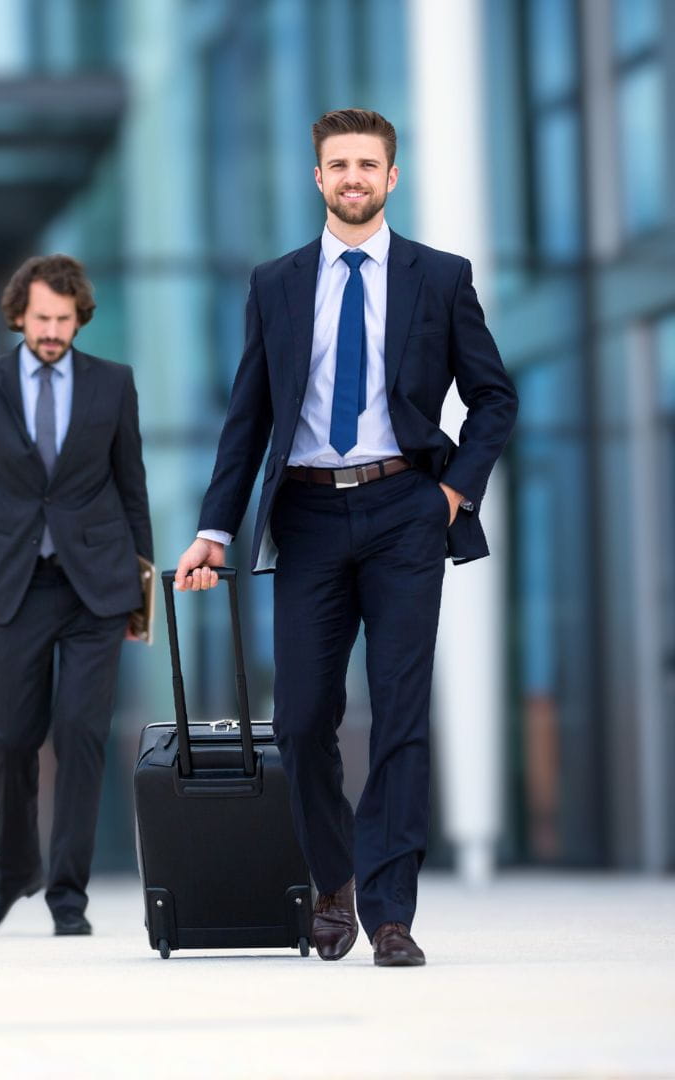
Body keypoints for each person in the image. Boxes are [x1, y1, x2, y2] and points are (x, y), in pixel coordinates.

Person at [174, 109, 518, 966]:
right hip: (309, 516)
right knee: (299, 718)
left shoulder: (440, 277)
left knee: (401, 715)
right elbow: (247, 415)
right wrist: (214, 529)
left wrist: (450, 495)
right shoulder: (276, 283)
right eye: (339, 164)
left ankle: (392, 914)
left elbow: (494, 398)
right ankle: (334, 881)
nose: (354, 177)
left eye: (369, 163)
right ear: (317, 177)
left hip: (406, 509)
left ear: (391, 178)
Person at [0, 254, 152, 937]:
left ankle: (68, 894)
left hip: (97, 590)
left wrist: (141, 595)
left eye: (65, 320)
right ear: (18, 315)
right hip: (16, 586)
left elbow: (132, 487)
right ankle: (11, 875)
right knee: (10, 738)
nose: (54, 331)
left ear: (79, 317)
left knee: (83, 736)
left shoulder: (113, 385)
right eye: (42, 319)